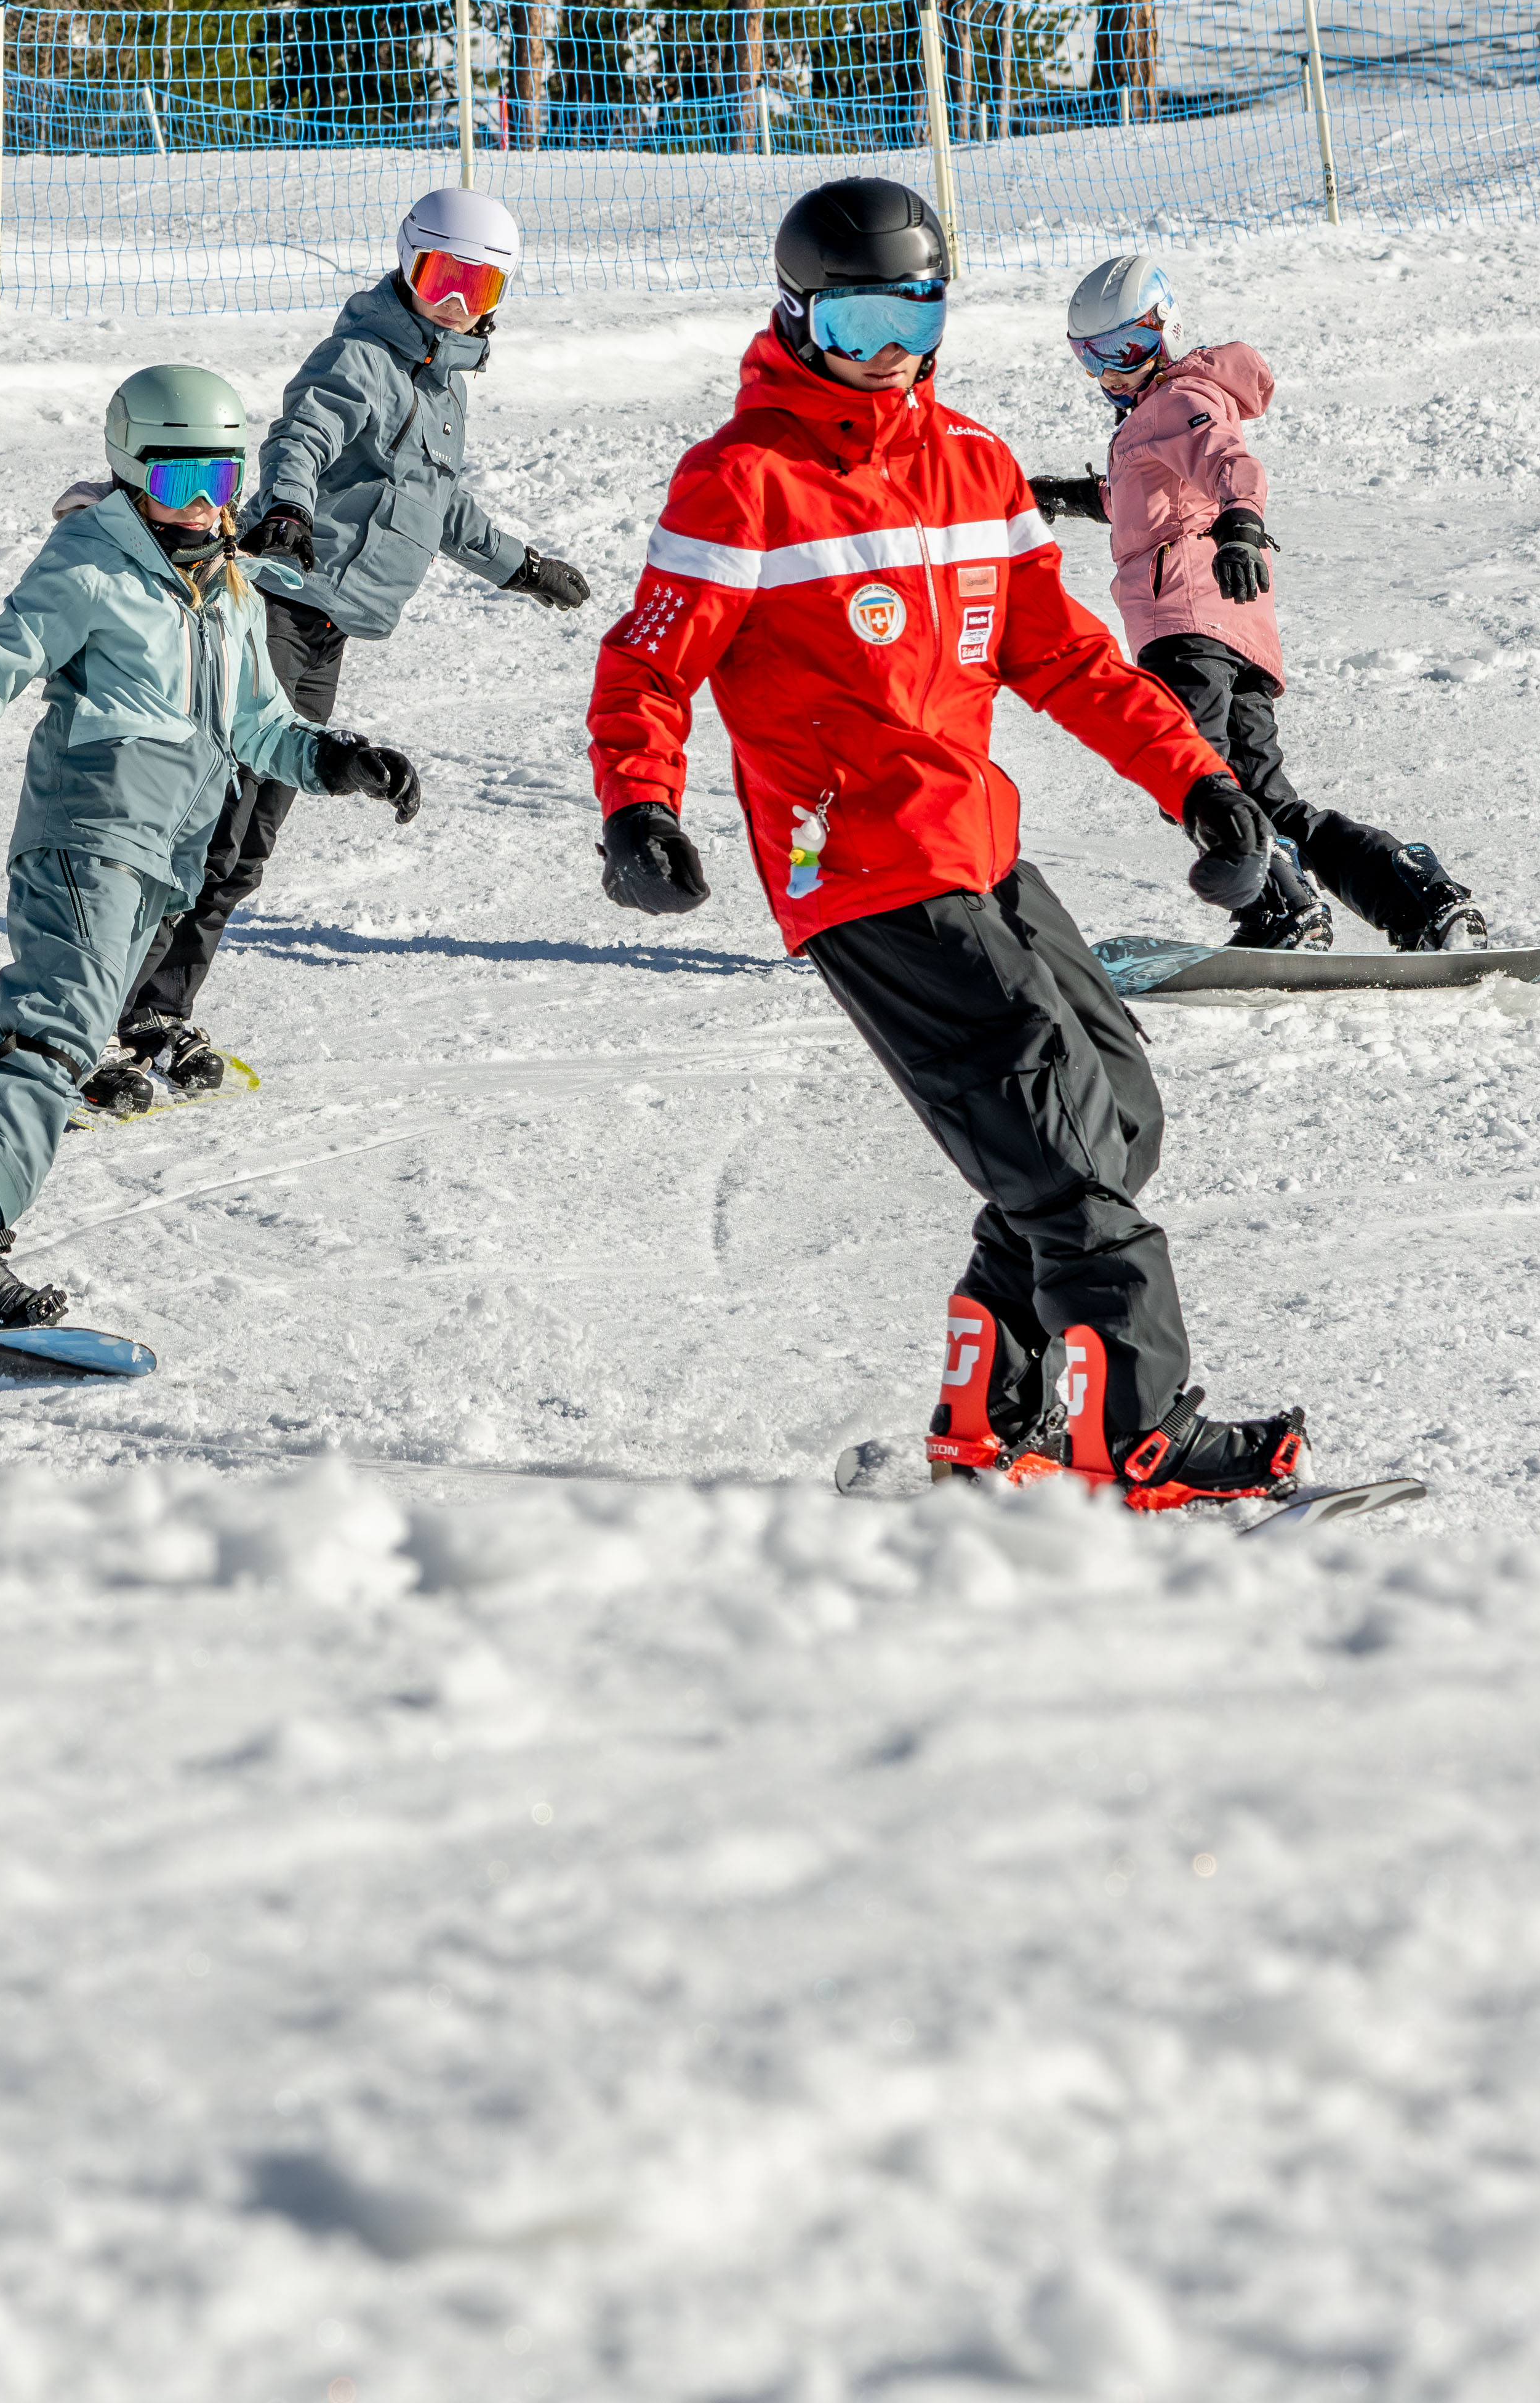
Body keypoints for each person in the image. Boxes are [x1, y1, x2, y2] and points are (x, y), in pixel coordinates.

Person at [587, 179, 1310, 1508]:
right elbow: (645, 666)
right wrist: (640, 807)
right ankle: (1137, 1436)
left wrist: (1197, 783)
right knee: (1057, 1137)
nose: (886, 352)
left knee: (1115, 1109)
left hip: (975, 842)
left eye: (910, 314)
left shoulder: (973, 464)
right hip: (851, 864)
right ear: (798, 314)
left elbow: (1070, 657)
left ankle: (995, 1404)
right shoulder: (745, 481)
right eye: (855, 319)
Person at [0, 364, 428, 1327]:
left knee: (27, 1049)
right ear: (130, 470)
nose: (201, 510)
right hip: (85, 837)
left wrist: (338, 759)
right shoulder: (90, 564)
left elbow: (261, 727)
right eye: (179, 485)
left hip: (162, 862)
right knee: (57, 1042)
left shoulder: (230, 590)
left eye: (221, 485)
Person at [92, 185, 592, 1111]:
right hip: (272, 611)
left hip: (326, 634)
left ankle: (159, 1012)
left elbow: (440, 508)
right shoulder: (363, 355)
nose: (451, 303)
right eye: (439, 276)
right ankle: (98, 1027)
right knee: (206, 826)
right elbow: (304, 436)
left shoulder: (442, 388)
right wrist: (285, 507)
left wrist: (520, 567)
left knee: (247, 846)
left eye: (473, 287)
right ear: (406, 264)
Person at [1028, 253, 1489, 957]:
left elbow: (1231, 465)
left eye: (1126, 347)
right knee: (1264, 798)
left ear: (1167, 328)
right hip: (1231, 627)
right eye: (1091, 358)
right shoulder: (1154, 414)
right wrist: (1066, 494)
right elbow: (1147, 499)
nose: (1111, 372)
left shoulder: (1180, 400)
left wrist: (1243, 524)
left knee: (1187, 769)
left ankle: (1285, 905)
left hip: (1185, 620)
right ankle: (1417, 897)